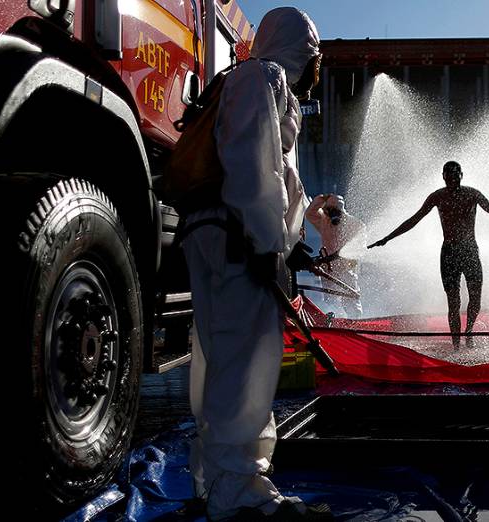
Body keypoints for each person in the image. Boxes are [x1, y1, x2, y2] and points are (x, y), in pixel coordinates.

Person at [181, 7, 331, 521]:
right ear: (301, 52)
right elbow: (250, 169)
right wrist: (267, 245)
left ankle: (216, 479)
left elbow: (277, 176)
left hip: (228, 235)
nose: (318, 71)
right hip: (238, 240)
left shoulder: (261, 84)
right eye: (316, 58)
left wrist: (293, 244)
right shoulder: (262, 77)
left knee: (225, 358)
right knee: (245, 363)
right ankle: (239, 493)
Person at [369, 161, 489, 346]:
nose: (452, 179)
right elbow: (414, 219)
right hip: (450, 253)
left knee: (475, 299)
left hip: (469, 251)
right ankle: (456, 344)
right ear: (443, 176)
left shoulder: (472, 194)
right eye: (449, 175)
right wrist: (388, 238)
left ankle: (468, 332)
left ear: (462, 175)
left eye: (456, 175)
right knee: (454, 302)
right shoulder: (438, 197)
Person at [305, 193, 367, 318]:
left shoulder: (354, 223)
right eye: (329, 210)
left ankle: (355, 321)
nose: (333, 214)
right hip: (328, 267)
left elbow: (360, 246)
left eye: (336, 210)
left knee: (350, 295)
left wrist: (352, 259)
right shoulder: (323, 221)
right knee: (330, 298)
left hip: (346, 266)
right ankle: (334, 320)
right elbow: (309, 213)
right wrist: (322, 199)